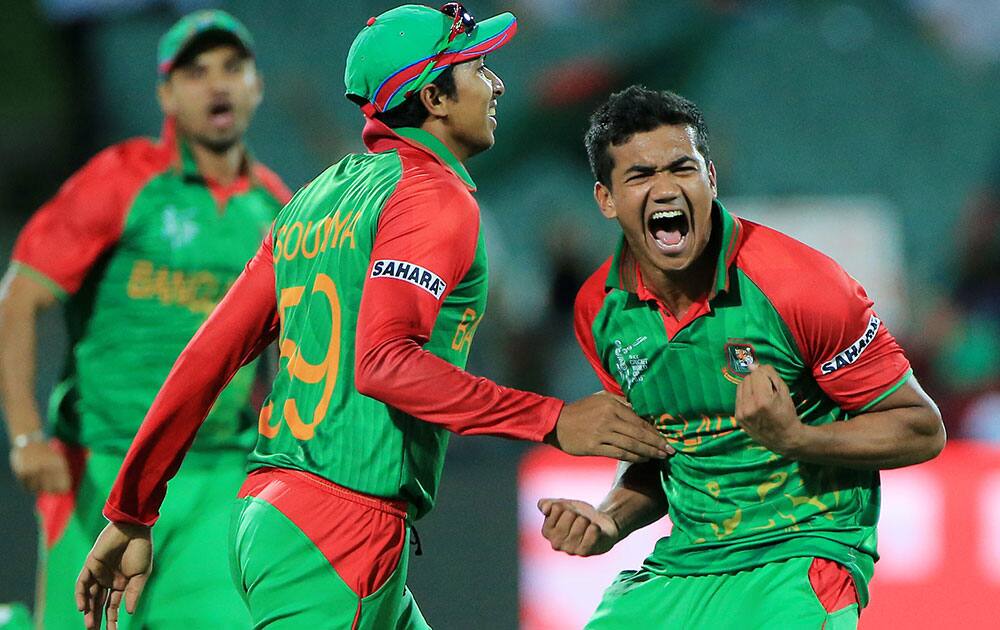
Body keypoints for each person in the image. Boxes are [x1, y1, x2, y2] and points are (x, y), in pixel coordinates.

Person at [75, 5, 671, 630]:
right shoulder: (433, 196)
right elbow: (384, 364)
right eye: (480, 67)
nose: (496, 84)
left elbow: (204, 358)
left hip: (274, 517)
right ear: (435, 95)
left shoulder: (310, 201)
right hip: (339, 531)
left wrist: (131, 512)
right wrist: (552, 418)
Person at [537, 86, 945, 629]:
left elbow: (922, 429)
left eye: (681, 168)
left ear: (711, 177)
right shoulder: (599, 310)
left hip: (799, 553)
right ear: (606, 199)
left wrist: (798, 439)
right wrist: (608, 521)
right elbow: (659, 455)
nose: (665, 190)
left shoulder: (800, 285)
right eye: (639, 176)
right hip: (683, 563)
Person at [0, 9, 291, 629]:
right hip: (101, 469)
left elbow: (295, 350)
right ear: (165, 93)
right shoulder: (120, 181)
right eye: (196, 72)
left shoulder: (278, 208)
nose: (218, 84)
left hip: (215, 475)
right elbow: (20, 297)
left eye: (233, 68)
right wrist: (25, 436)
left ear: (256, 86)